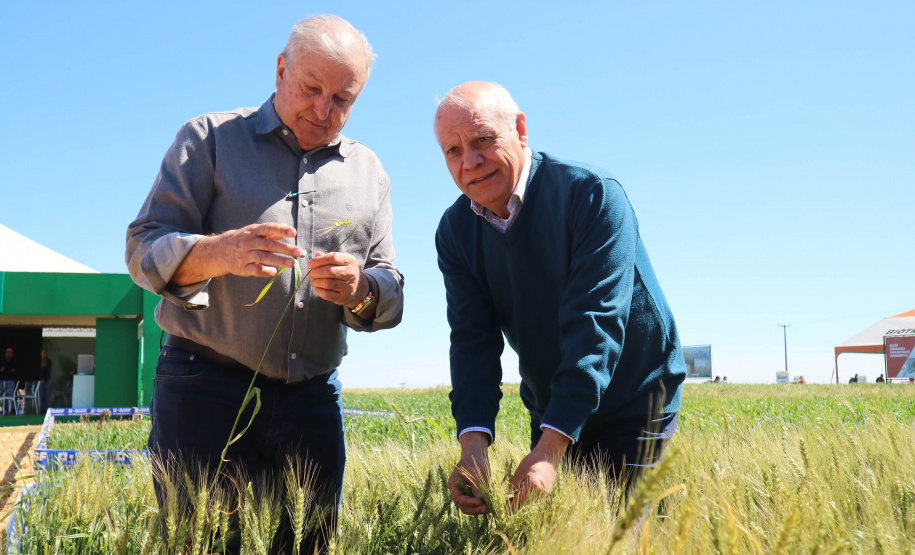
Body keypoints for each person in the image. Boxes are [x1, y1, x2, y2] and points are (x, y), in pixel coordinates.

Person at [126, 15, 404, 553]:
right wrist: (218, 252)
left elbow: (390, 286)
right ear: (281, 69)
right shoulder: (208, 140)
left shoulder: (370, 172)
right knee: (200, 543)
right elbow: (142, 249)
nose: (324, 111)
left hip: (312, 399)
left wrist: (361, 290)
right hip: (203, 386)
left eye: (343, 99)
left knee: (308, 544)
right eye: (311, 89)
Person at [433, 82, 686, 515]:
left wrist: (550, 449)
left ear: (521, 130)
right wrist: (472, 444)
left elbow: (596, 324)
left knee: (628, 535)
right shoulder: (455, 231)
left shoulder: (593, 195)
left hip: (635, 398)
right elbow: (472, 340)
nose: (469, 162)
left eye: (482, 140)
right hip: (553, 403)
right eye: (452, 151)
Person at [0, 348, 16, 414]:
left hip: (10, 380)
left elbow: (14, 370)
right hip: (2, 380)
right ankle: (2, 409)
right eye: (8, 352)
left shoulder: (14, 361)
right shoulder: (2, 360)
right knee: (1, 395)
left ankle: (10, 409)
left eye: (10, 352)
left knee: (10, 395)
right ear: (5, 353)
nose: (9, 354)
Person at [37, 348, 51, 414]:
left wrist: (44, 379)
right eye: (42, 352)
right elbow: (38, 372)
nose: (43, 353)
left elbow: (47, 371)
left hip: (46, 380)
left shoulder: (49, 361)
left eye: (44, 352)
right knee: (41, 395)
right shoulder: (39, 361)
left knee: (45, 394)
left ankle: (45, 409)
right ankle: (42, 409)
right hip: (40, 381)